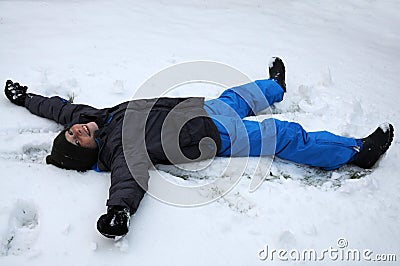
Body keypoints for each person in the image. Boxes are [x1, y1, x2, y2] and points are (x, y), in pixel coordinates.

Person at [4, 58, 394, 239]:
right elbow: (129, 179)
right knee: (283, 134)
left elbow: (60, 109)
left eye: (71, 131)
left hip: (202, 109)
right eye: (76, 138)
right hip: (213, 135)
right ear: (88, 151)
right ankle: (356, 152)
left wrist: (25, 99)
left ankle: (275, 87)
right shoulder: (122, 149)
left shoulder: (99, 118)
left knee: (237, 95)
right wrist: (119, 212)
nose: (75, 128)